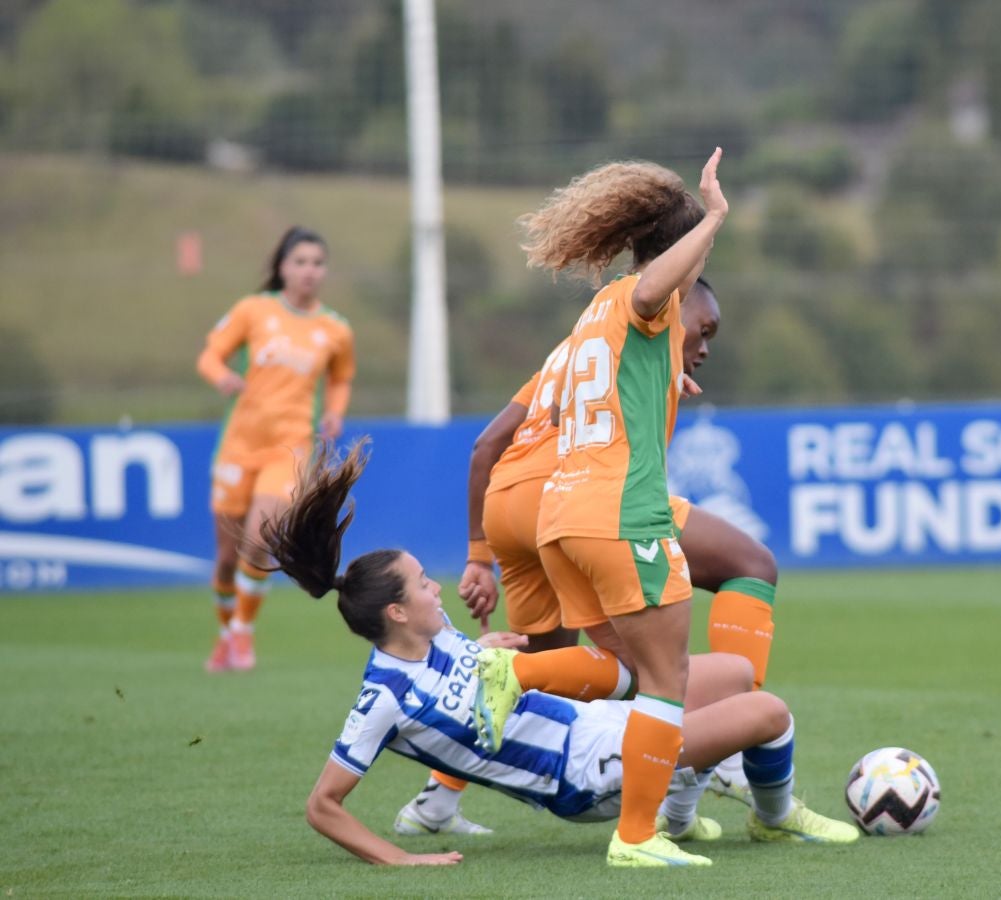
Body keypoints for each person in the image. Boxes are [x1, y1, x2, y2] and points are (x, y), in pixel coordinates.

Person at [261, 440, 858, 867]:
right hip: (584, 775)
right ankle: (771, 819)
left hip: (599, 725)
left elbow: (474, 680)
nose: (434, 586)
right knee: (769, 713)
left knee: (735, 673)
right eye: (421, 583)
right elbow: (323, 806)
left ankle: (682, 797)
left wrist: (485, 645)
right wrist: (399, 861)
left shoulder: (439, 638)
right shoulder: (382, 698)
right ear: (395, 612)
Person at [395, 278, 775, 839]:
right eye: (703, 329)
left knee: (554, 678)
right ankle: (727, 747)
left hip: (508, 508)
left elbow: (486, 446)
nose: (705, 346)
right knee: (749, 567)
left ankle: (435, 801)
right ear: (671, 309)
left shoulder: (570, 351)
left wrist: (479, 555)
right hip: (578, 496)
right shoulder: (640, 336)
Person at [512, 149, 730, 867]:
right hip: (619, 515)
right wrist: (717, 219)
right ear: (678, 251)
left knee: (621, 671)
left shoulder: (594, 313)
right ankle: (639, 834)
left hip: (561, 519)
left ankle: (500, 677)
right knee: (669, 682)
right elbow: (653, 294)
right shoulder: (643, 296)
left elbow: (602, 382)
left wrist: (668, 380)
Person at [196, 227, 355, 672]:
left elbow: (340, 377)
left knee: (262, 536)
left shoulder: (335, 329)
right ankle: (226, 633)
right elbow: (210, 354)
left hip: (289, 448)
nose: (309, 271)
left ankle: (243, 632)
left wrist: (335, 412)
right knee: (227, 559)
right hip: (237, 447)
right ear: (283, 267)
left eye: (317, 263)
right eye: (300, 262)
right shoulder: (254, 310)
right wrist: (221, 377)